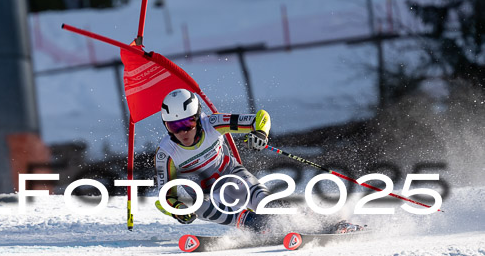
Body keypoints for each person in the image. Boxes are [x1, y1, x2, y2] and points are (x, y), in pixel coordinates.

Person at [154, 88, 362, 234]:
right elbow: (166, 198)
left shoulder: (214, 123)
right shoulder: (166, 154)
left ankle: (327, 221)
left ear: (198, 118)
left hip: (234, 176)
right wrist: (179, 211)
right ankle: (257, 224)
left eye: (187, 123)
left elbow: (260, 118)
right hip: (207, 195)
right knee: (198, 206)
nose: (182, 132)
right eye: (174, 126)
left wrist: (260, 134)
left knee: (268, 204)